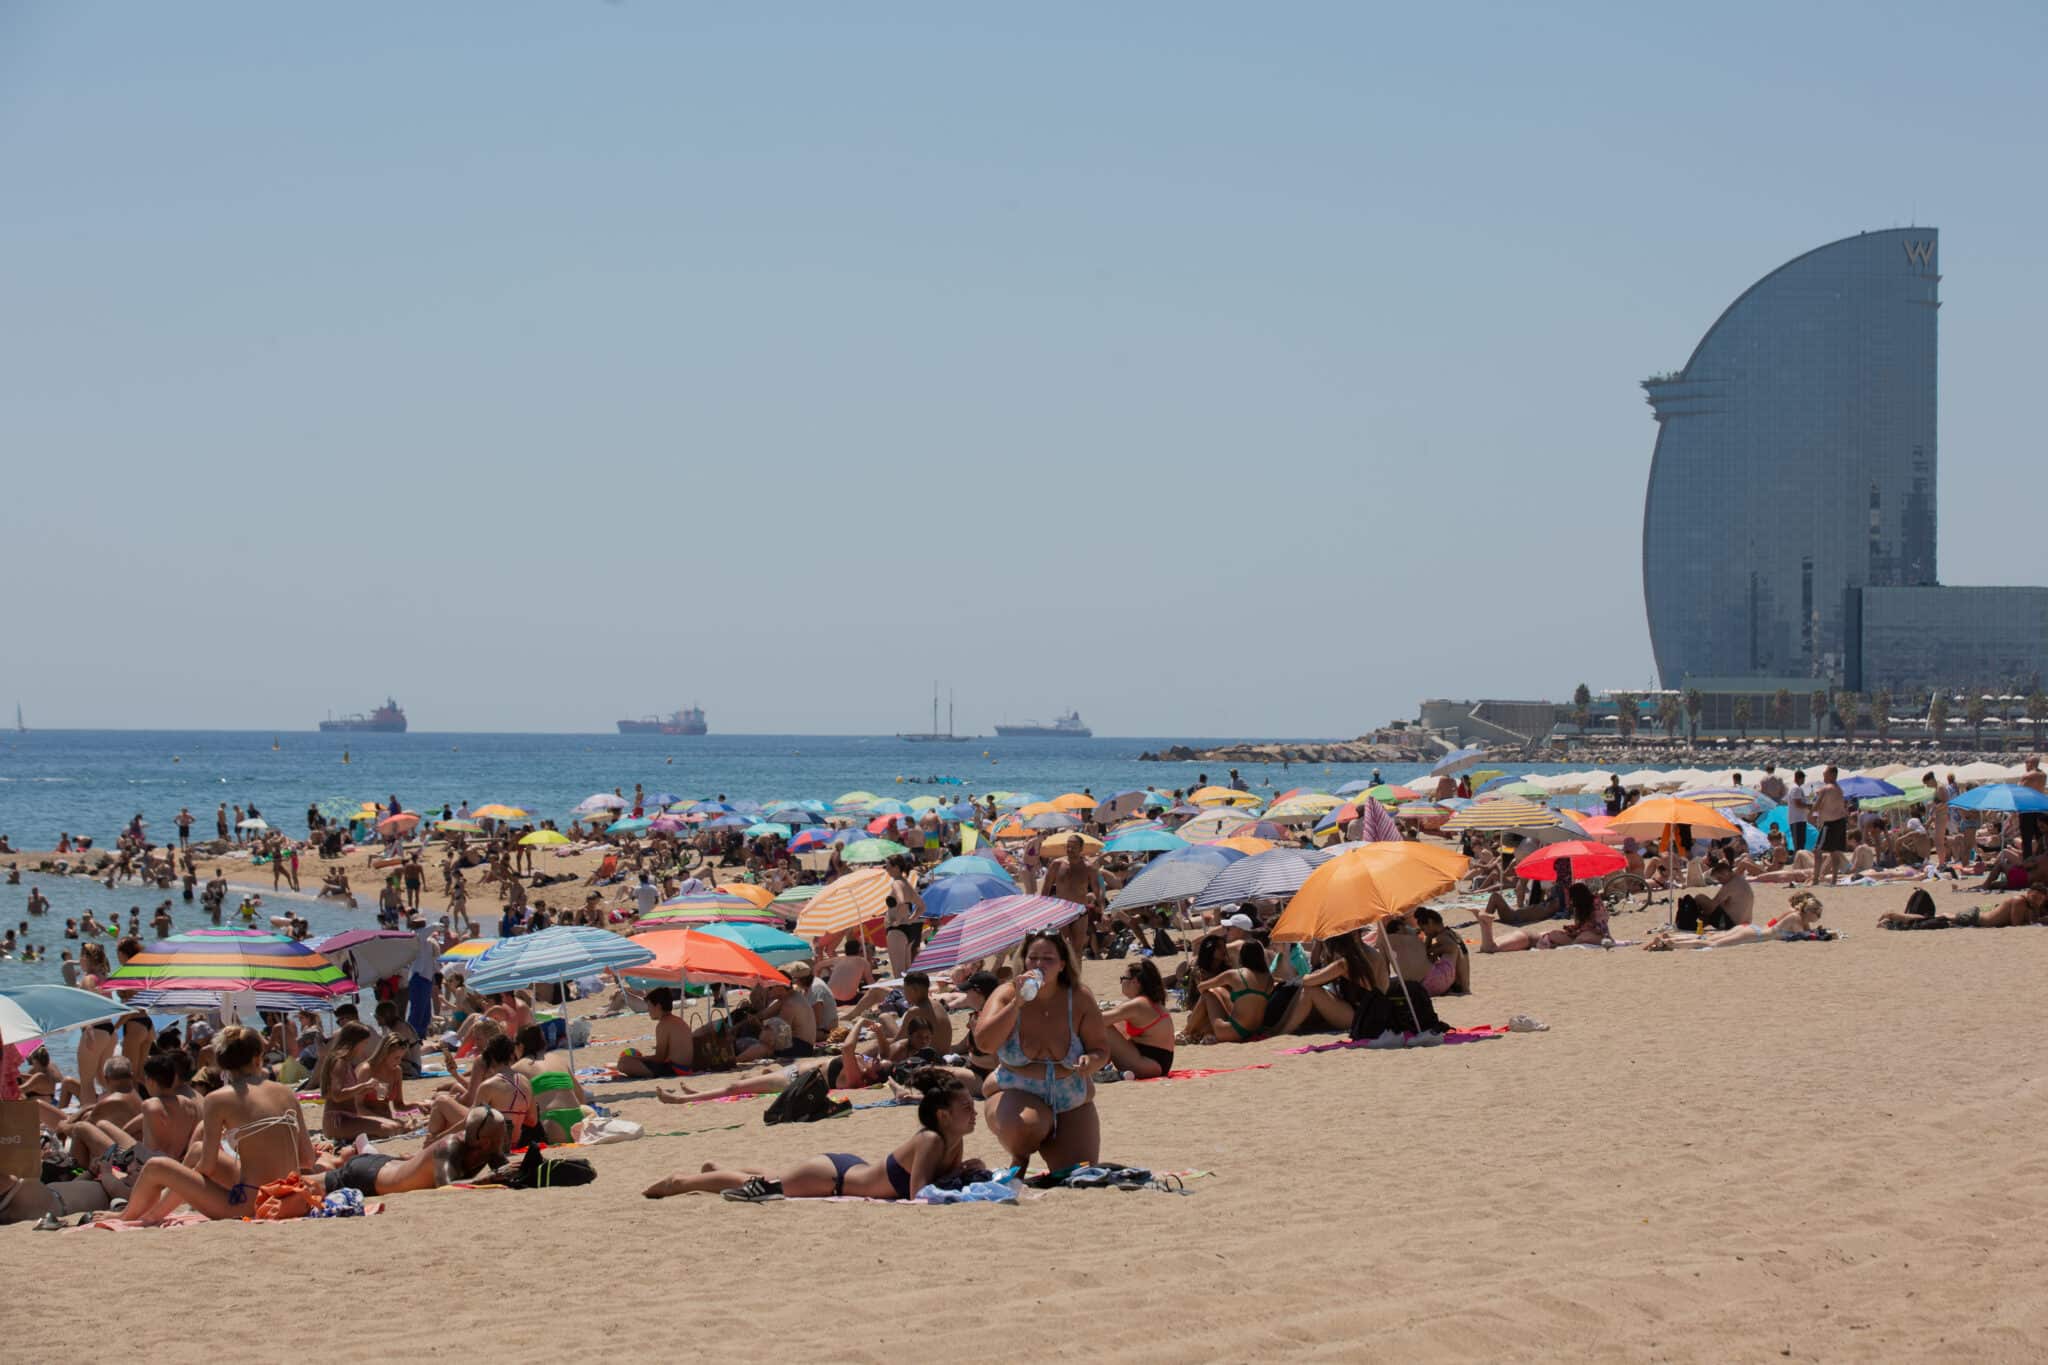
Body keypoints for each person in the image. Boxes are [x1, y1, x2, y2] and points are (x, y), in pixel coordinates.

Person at [644, 1068, 984, 1201]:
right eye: (967, 1107)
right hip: (833, 1177)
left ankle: (715, 1168)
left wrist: (964, 1168)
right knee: (764, 1186)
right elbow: (919, 1193)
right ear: (943, 1115)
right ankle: (682, 1182)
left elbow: (939, 1177)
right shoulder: (931, 1140)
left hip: (849, 1170)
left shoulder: (953, 1140)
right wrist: (962, 1173)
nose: (974, 1113)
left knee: (772, 1176)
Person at [120, 1025, 318, 1224]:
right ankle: (153, 1212)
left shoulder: (218, 1098)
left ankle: (131, 1216)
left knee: (157, 1166)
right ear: (258, 1057)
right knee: (196, 1150)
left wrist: (182, 1185)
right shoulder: (286, 1092)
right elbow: (307, 1159)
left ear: (222, 1063)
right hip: (293, 1197)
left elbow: (207, 1166)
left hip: (253, 1203)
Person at [974, 931, 1108, 1173]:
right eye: (1033, 958)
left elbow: (1101, 1049)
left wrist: (1091, 1061)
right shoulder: (1006, 994)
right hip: (1017, 1090)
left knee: (1080, 1171)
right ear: (1023, 962)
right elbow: (984, 1043)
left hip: (1069, 1096)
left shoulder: (1078, 997)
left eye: (1048, 959)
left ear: (1062, 965)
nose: (1039, 965)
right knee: (1027, 1125)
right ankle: (1020, 1160)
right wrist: (1017, 1004)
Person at [323, 1103, 515, 1198]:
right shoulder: (450, 1148)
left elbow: (506, 1175)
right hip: (368, 1176)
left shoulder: (486, 1147)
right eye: (502, 1134)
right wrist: (490, 1179)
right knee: (307, 1181)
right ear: (487, 1142)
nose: (506, 1138)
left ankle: (357, 1149)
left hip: (385, 1164)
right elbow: (447, 1188)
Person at [315, 1022, 410, 1141]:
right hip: (338, 1120)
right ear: (355, 1042)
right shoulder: (339, 1062)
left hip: (346, 1118)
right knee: (390, 1129)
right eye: (364, 1043)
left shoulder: (346, 1062)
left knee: (394, 1127)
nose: (364, 1047)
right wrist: (363, 1086)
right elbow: (337, 1095)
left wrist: (366, 1088)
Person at [1475, 883, 1608, 952]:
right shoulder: (1587, 934)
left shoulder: (1585, 935)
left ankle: (1485, 924)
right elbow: (1600, 924)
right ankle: (1485, 925)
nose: (1570, 903)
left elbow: (1597, 926)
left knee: (1489, 947)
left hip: (1528, 938)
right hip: (1528, 938)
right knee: (1491, 948)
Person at [1099, 958, 1175, 1078]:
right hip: (1158, 1063)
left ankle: (1097, 1065)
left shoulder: (1139, 1004)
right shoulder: (1151, 1003)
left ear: (1134, 982)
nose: (1121, 982)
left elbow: (1099, 1020)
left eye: (1123, 979)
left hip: (1146, 1064)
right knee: (1116, 1025)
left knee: (1102, 1027)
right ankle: (1101, 1066)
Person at [1198, 939, 1276, 1042]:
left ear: (1242, 956)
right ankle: (1197, 1031)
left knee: (1209, 994)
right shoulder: (1269, 978)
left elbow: (1201, 987)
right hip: (1254, 1030)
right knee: (1220, 991)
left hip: (1233, 1032)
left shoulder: (1235, 974)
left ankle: (1186, 1031)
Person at [614, 986, 692, 1076]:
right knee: (628, 1061)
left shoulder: (663, 1024)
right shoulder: (676, 1020)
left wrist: (638, 1059)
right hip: (685, 1067)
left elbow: (659, 1058)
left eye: (649, 1006)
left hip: (675, 1069)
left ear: (658, 1006)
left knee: (624, 1062)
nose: (648, 1010)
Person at [1809, 767, 1850, 887]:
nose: (1823, 776)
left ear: (1832, 775)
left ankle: (1816, 879)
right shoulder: (1839, 789)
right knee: (1834, 851)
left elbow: (1816, 807)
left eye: (1825, 774)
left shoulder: (1826, 789)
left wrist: (1810, 809)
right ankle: (1834, 879)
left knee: (1817, 851)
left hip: (1830, 823)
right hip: (1841, 822)